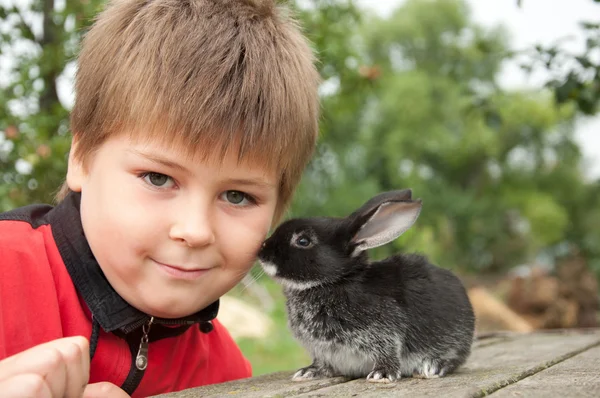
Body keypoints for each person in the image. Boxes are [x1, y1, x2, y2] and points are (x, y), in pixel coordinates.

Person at [0, 0, 320, 396]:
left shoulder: (228, 373)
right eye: (158, 177)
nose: (195, 230)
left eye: (237, 196)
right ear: (81, 158)